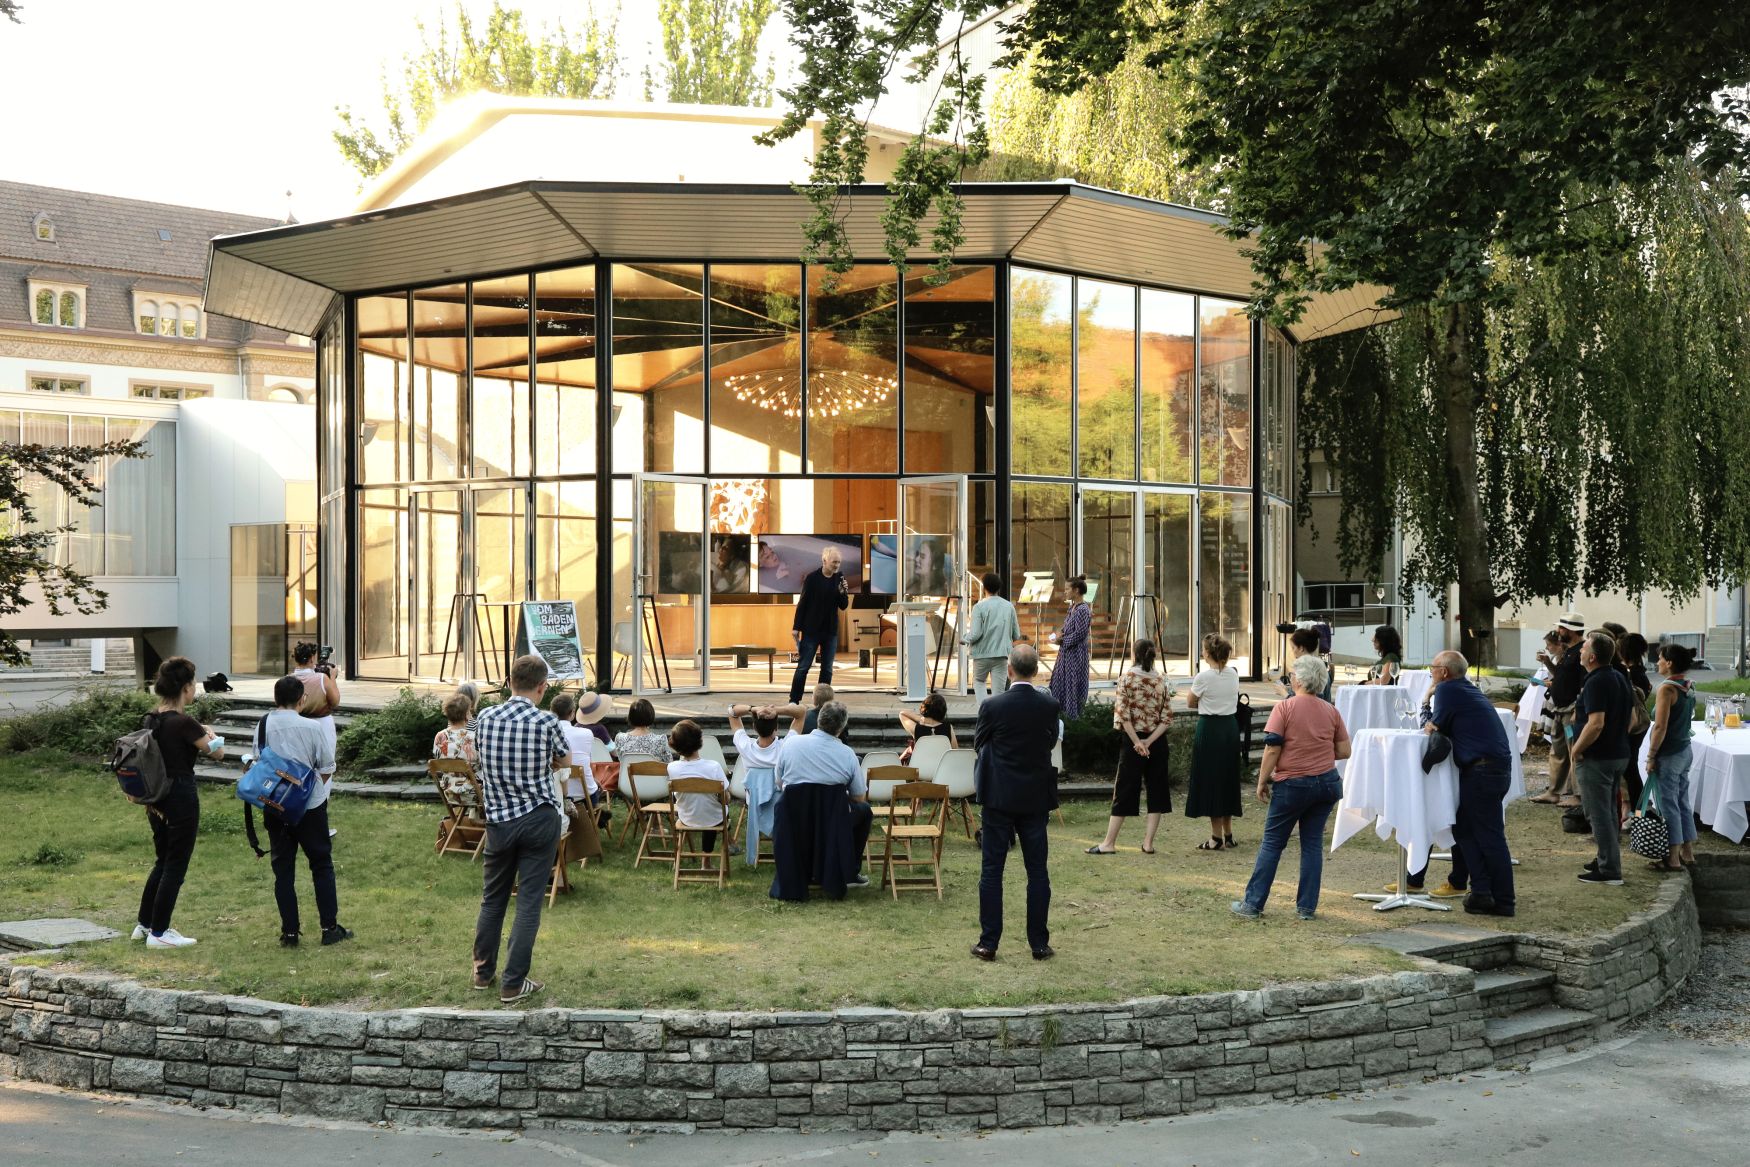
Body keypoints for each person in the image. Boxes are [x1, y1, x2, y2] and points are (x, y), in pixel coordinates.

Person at [471, 654, 570, 1004]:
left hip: (499, 818)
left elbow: (477, 755)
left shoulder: (485, 717)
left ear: (510, 682)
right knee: (528, 901)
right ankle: (513, 982)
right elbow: (565, 760)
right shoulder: (546, 721)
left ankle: (483, 972)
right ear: (542, 687)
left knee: (492, 898)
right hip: (538, 816)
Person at [1231, 655, 1349, 921]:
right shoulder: (1331, 710)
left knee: (1273, 842)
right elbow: (1344, 751)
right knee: (1312, 844)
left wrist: (1262, 780)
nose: (1290, 678)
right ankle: (1306, 907)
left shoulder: (1284, 708)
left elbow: (1272, 748)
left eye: (1292, 675)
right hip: (1326, 783)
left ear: (1300, 680)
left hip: (1293, 784)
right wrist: (1317, 750)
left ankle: (1253, 903)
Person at [971, 645, 1061, 961]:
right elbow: (1050, 741)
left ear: (1009, 670)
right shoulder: (1049, 705)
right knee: (1037, 871)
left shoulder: (992, 705)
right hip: (1035, 795)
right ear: (1035, 671)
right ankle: (1039, 943)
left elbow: (979, 741)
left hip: (999, 794)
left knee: (992, 870)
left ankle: (989, 942)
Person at [1415, 650, 1516, 916]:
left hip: (1483, 770)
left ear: (1444, 672)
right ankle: (1482, 892)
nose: (1431, 672)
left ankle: (1504, 900)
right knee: (1465, 829)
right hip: (1493, 767)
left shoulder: (1447, 690)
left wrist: (1425, 700)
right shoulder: (1466, 689)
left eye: (1433, 668)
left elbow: (1430, 728)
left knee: (1489, 836)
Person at [132, 656, 224, 949]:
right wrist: (211, 734)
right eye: (193, 683)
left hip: (155, 796)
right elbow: (216, 752)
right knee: (176, 864)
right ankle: (160, 932)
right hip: (180, 795)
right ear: (185, 687)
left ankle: (144, 924)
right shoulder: (185, 722)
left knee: (163, 860)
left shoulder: (152, 718)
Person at [258, 674, 352, 946]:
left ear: (275, 698)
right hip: (310, 804)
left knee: (283, 869)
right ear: (302, 699)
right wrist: (309, 789)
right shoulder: (312, 727)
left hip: (275, 804)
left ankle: (289, 932)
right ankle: (329, 928)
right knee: (321, 863)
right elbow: (327, 767)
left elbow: (258, 760)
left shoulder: (264, 724)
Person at [772, 701, 874, 883]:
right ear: (841, 728)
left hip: (795, 814)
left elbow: (779, 783)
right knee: (864, 811)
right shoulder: (847, 754)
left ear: (818, 720)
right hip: (831, 817)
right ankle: (850, 870)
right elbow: (859, 796)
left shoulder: (791, 744)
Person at [1088, 639, 1172, 855]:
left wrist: (1137, 742)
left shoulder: (1126, 678)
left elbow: (1123, 716)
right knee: (1157, 790)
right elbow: (1166, 718)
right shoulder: (1161, 680)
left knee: (1124, 790)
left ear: (1134, 654)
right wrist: (1149, 741)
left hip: (1132, 741)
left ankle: (1109, 843)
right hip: (1157, 742)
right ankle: (1148, 843)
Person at [1569, 631, 1635, 886]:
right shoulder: (1619, 677)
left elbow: (1596, 723)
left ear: (1593, 657)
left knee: (1598, 814)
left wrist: (1576, 750)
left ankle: (1609, 870)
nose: (1581, 651)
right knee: (1608, 811)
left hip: (1597, 757)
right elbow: (1630, 719)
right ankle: (1606, 858)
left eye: (1584, 648)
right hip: (1618, 753)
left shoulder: (1597, 682)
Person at [1185, 633, 1243, 850]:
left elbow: (1190, 702)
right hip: (1229, 727)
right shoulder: (1233, 674)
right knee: (1227, 778)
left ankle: (1215, 837)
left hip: (1210, 728)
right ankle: (1228, 834)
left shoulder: (1203, 677)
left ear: (1208, 653)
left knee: (1211, 780)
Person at [1644, 643, 1699, 872]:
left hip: (1669, 753)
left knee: (1668, 804)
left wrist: (1651, 755)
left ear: (1669, 663)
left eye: (1660, 658)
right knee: (1682, 801)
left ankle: (1673, 857)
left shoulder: (1666, 688)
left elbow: (1660, 726)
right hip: (1685, 749)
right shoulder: (1688, 685)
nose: (1657, 662)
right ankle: (1687, 851)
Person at [1534, 613, 1588, 806]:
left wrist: (1577, 710)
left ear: (1571, 630)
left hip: (1571, 711)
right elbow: (1561, 676)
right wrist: (1548, 663)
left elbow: (1584, 683)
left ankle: (1578, 795)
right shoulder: (1569, 651)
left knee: (1574, 750)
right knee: (1557, 751)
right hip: (1560, 709)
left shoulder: (1582, 651)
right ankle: (1554, 792)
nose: (1558, 631)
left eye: (1561, 628)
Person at [789, 544, 850, 703]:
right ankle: (794, 701)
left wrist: (843, 592)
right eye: (834, 562)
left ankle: (822, 703)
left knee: (827, 669)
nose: (837, 565)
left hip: (830, 631)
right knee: (803, 667)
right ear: (824, 561)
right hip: (812, 630)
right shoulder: (812, 578)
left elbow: (843, 606)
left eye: (838, 562)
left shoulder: (839, 578)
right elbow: (803, 603)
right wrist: (796, 627)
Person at [667, 718, 729, 855]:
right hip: (713, 818)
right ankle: (707, 859)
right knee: (718, 810)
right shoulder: (714, 766)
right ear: (699, 741)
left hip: (686, 817)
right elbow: (726, 798)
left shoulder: (671, 768)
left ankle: (727, 843)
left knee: (709, 810)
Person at [963, 572, 1022, 704]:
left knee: (979, 681)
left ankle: (984, 711)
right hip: (1002, 654)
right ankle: (997, 713)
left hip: (981, 654)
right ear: (999, 588)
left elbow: (975, 634)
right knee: (999, 691)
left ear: (984, 587)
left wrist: (964, 639)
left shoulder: (979, 607)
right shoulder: (1009, 606)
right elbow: (1016, 634)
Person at [549, 693, 604, 815]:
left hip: (556, 795)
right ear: (573, 713)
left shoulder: (546, 734)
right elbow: (586, 763)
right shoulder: (586, 733)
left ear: (551, 712)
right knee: (594, 788)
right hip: (586, 796)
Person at [1047, 576, 1092, 721]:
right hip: (1066, 654)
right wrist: (1058, 635)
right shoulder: (1072, 607)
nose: (1065, 591)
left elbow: (1080, 633)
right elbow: (1067, 628)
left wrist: (1061, 640)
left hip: (1075, 655)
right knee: (1061, 684)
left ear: (1076, 590)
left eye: (1067, 589)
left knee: (1072, 685)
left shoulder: (1083, 609)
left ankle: (1072, 719)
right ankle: (1060, 717)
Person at [1616, 632, 1652, 811]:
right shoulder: (1640, 672)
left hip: (1631, 724)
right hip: (1638, 724)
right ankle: (1635, 809)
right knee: (1630, 768)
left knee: (1629, 769)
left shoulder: (1630, 674)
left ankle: (1637, 810)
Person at [728, 701, 807, 772]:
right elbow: (802, 711)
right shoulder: (786, 747)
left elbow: (731, 711)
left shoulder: (745, 746)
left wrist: (753, 709)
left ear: (754, 727)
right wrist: (776, 710)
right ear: (776, 727)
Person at [898, 691, 957, 763]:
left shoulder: (916, 728)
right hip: (941, 767)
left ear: (925, 708)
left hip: (920, 767)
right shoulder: (948, 728)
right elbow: (955, 751)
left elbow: (902, 714)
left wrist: (920, 719)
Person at [433, 693, 478, 762]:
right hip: (468, 769)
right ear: (466, 715)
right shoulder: (473, 736)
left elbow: (437, 756)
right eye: (469, 711)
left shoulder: (439, 735)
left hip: (445, 769)